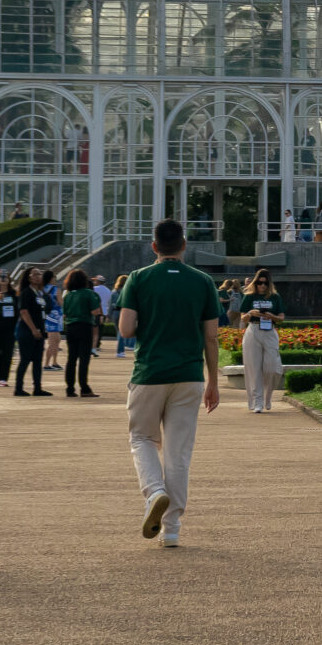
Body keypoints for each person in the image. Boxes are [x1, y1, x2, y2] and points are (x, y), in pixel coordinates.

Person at [117, 219, 224, 551]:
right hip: (189, 374)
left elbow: (125, 330)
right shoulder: (203, 281)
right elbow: (211, 337)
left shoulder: (138, 278)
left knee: (142, 438)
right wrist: (213, 383)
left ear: (154, 246)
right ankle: (172, 528)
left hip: (150, 373)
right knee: (178, 453)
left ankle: (154, 492)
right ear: (183, 245)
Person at [240, 269, 286, 411]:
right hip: (253, 330)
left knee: (272, 367)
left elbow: (281, 318)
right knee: (253, 368)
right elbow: (242, 317)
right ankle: (257, 402)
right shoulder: (249, 297)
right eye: (260, 283)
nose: (262, 286)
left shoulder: (275, 297)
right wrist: (250, 313)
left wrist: (272, 316)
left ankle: (268, 396)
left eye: (265, 283)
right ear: (255, 282)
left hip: (269, 331)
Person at [61, 269, 102, 398]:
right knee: (84, 358)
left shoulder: (68, 295)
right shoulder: (88, 293)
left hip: (70, 327)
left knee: (71, 359)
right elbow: (95, 311)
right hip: (84, 326)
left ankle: (70, 388)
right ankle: (84, 387)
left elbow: (65, 313)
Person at [12, 267, 49, 396]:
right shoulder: (26, 293)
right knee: (25, 359)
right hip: (27, 332)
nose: (38, 276)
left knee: (38, 361)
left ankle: (37, 388)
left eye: (40, 274)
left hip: (40, 331)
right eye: (35, 274)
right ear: (29, 277)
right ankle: (18, 388)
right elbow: (24, 312)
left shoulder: (40, 293)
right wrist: (33, 329)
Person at [92, 274, 116, 355]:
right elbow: (109, 302)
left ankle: (93, 345)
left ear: (98, 281)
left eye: (95, 280)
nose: (94, 282)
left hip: (95, 311)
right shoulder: (108, 290)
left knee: (94, 329)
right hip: (104, 312)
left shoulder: (94, 289)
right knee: (100, 329)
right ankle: (97, 344)